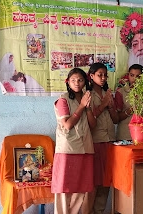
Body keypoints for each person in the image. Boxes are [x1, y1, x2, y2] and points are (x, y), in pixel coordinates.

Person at [52, 68, 96, 214]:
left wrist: (88, 108)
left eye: (80, 80)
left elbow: (93, 125)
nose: (77, 83)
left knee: (82, 186)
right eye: (73, 80)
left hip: (85, 146)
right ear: (68, 82)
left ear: (85, 82)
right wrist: (82, 106)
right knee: (65, 187)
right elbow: (68, 124)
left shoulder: (86, 97)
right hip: (68, 148)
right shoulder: (63, 100)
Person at [87, 63, 119, 214]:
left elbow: (115, 119)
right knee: (95, 181)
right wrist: (104, 104)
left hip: (110, 140)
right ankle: (90, 211)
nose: (103, 78)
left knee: (106, 180)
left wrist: (110, 105)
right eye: (100, 75)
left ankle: (99, 211)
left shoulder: (108, 93)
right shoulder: (87, 94)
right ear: (91, 76)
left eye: (105, 75)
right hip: (96, 141)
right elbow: (89, 118)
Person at [114, 64, 143, 140]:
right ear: (128, 75)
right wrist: (131, 110)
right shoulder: (121, 92)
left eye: (138, 76)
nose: (134, 79)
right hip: (126, 134)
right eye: (132, 75)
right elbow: (116, 118)